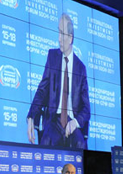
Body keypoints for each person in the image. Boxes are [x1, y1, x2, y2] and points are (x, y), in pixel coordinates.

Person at [27, 13, 90, 149]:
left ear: (70, 38)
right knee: (47, 140)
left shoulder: (81, 68)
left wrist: (76, 122)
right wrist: (32, 115)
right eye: (58, 33)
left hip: (71, 120)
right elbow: (42, 90)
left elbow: (86, 108)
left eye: (63, 34)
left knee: (80, 144)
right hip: (54, 119)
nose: (59, 39)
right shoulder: (52, 57)